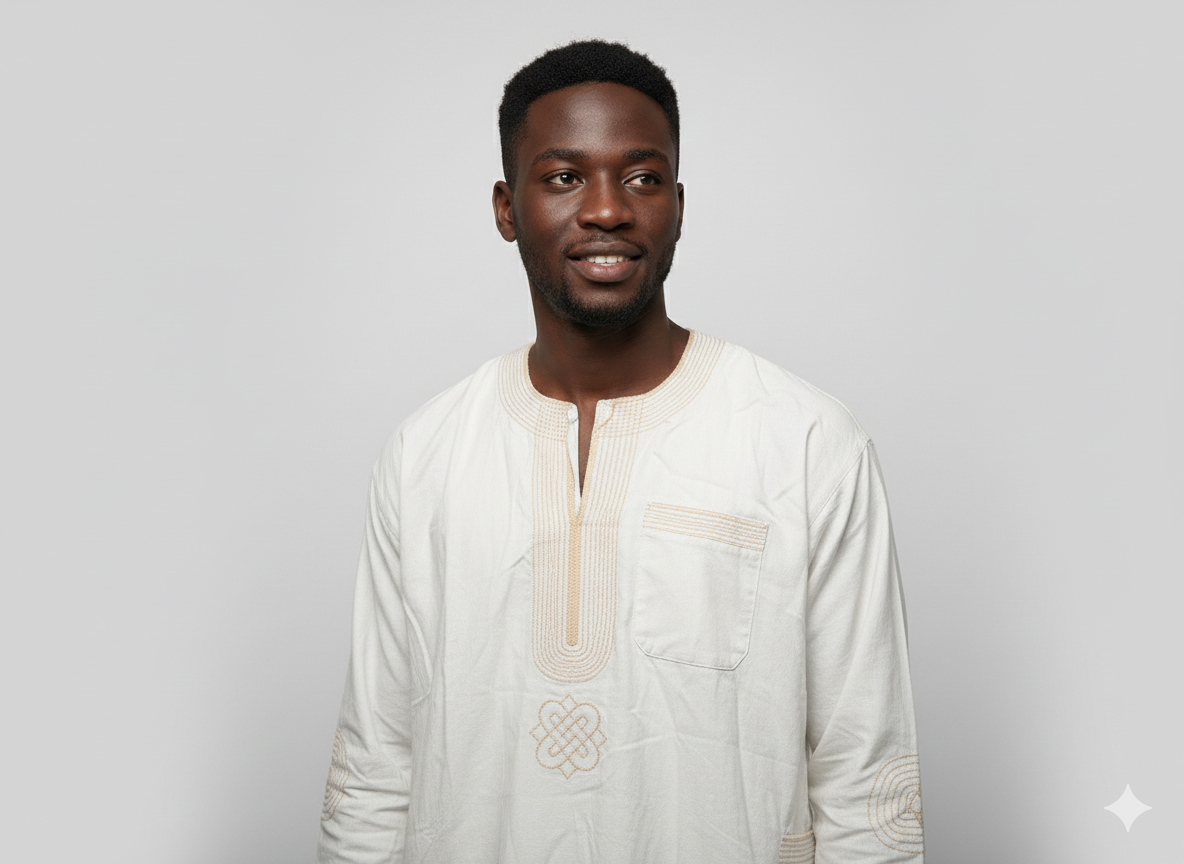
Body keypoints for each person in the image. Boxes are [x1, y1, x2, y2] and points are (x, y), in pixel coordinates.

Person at [317, 39, 925, 864]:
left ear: (679, 205)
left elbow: (865, 772)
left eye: (641, 178)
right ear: (506, 208)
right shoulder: (427, 453)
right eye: (565, 176)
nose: (607, 210)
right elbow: (376, 766)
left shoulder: (806, 442)